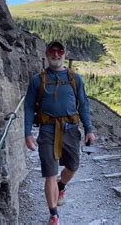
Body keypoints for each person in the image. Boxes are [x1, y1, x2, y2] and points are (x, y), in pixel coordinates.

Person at [24, 41, 96, 225]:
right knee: (50, 173)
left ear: (64, 54)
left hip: (70, 129)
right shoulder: (37, 80)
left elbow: (84, 105)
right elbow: (29, 107)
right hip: (47, 130)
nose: (56, 55)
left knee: (73, 166)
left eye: (59, 51)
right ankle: (54, 214)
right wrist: (27, 134)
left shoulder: (75, 78)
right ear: (46, 54)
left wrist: (89, 130)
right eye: (52, 51)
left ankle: (61, 186)